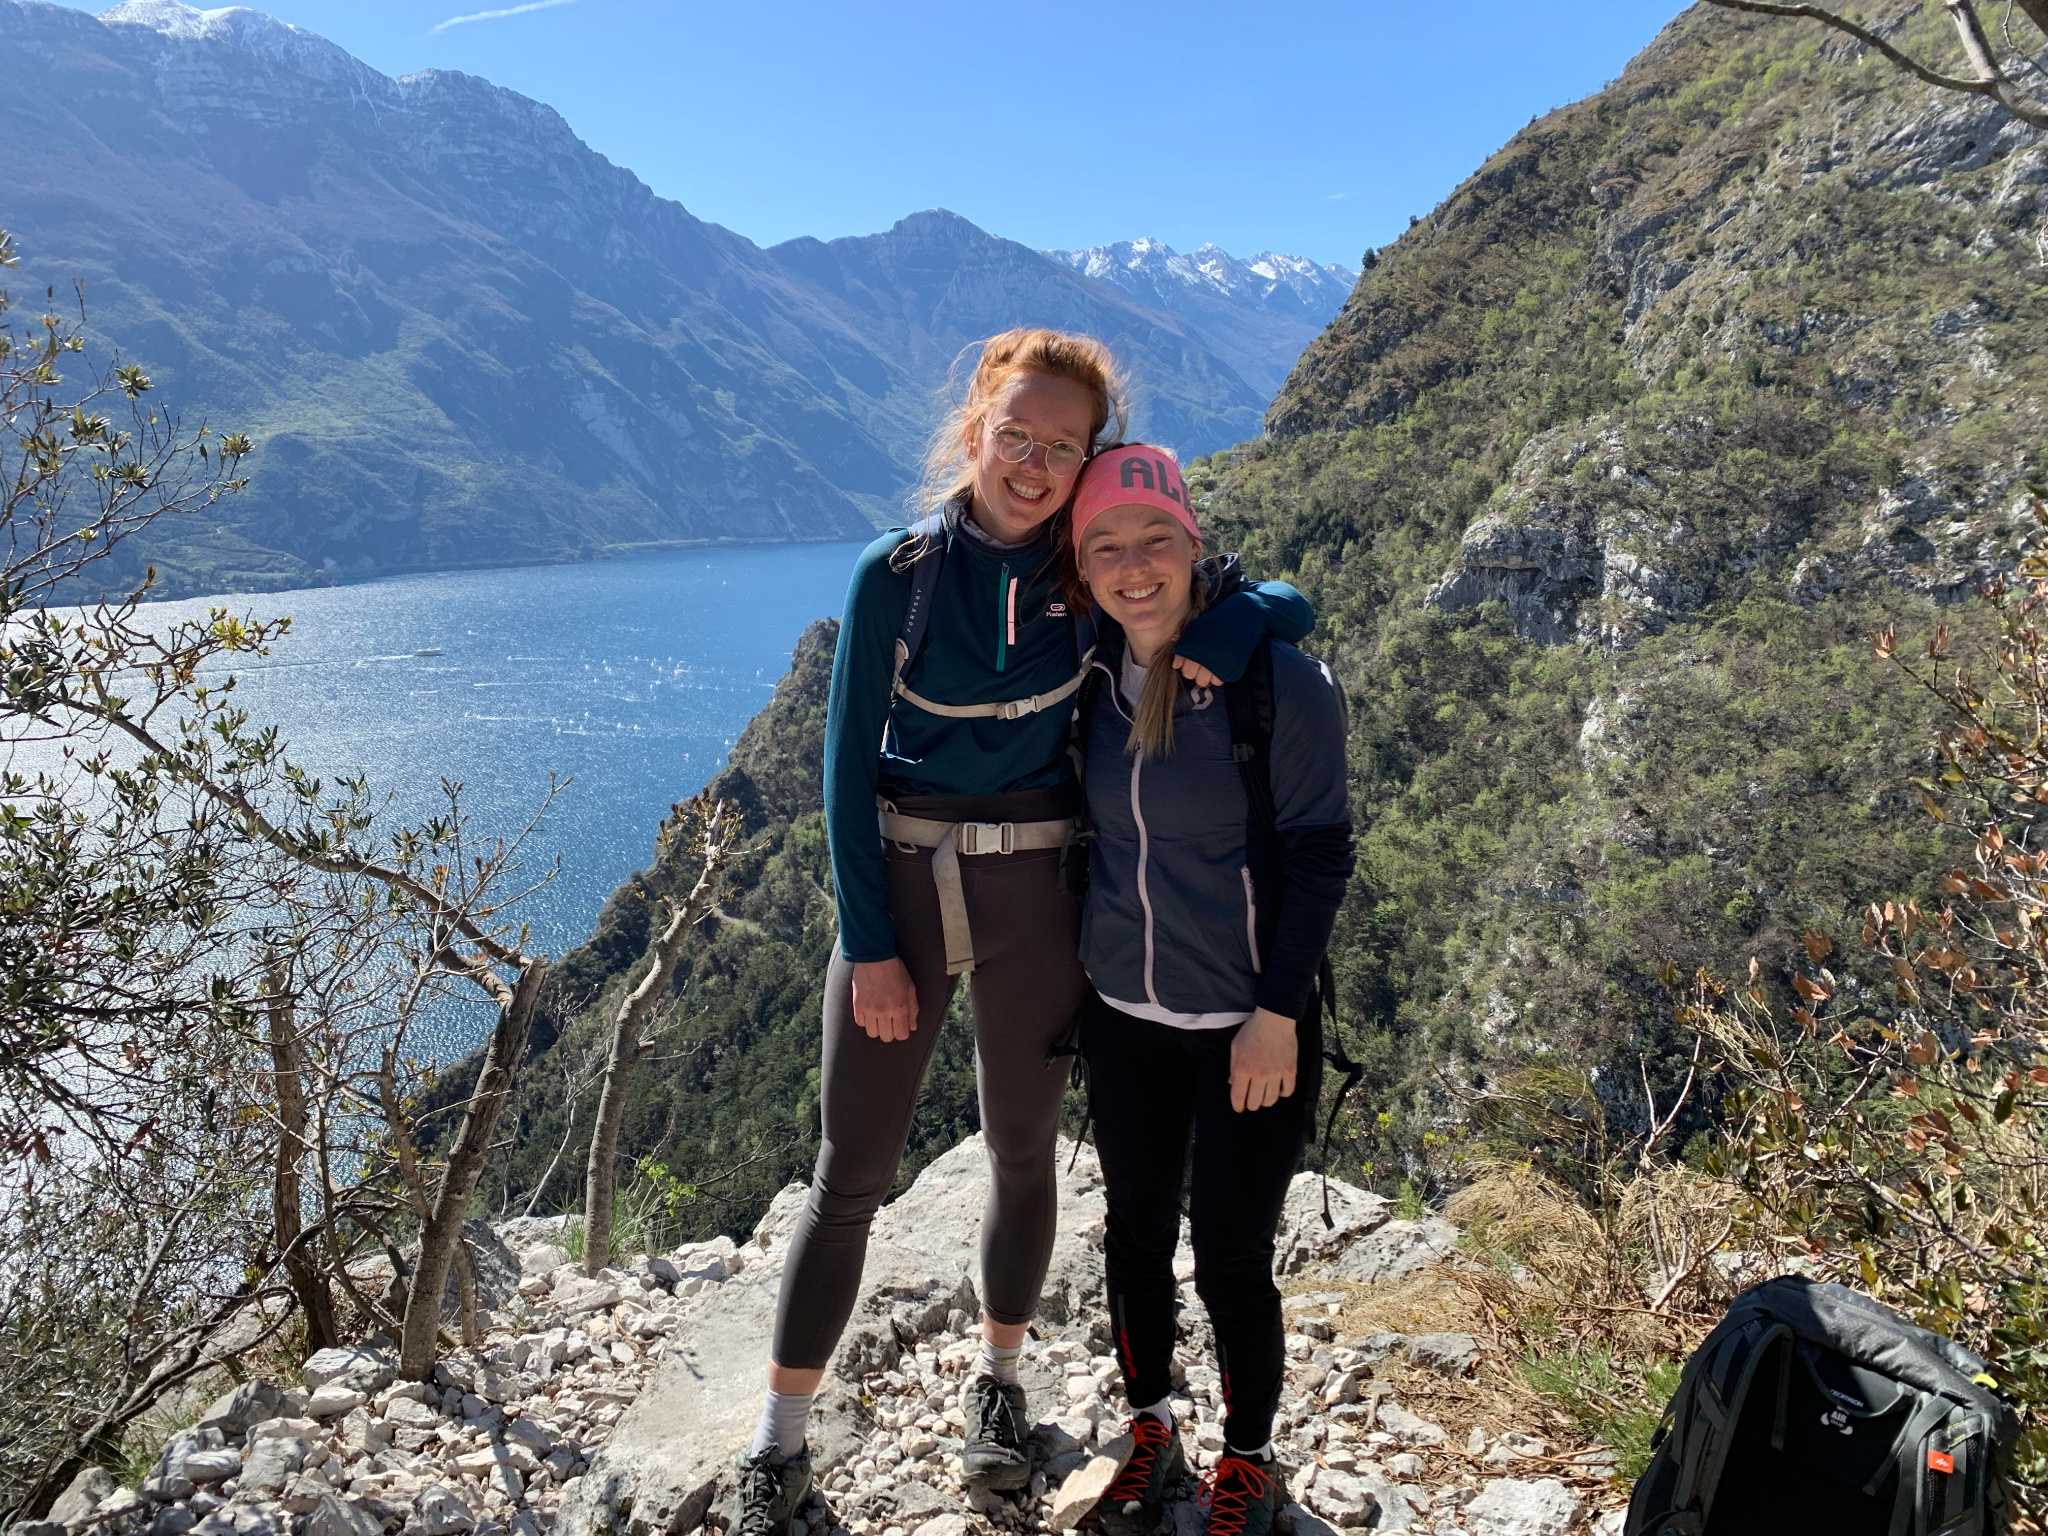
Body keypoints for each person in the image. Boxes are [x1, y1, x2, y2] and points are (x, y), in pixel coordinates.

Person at [731, 331, 1314, 1536]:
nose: (1034, 465)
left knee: (1021, 1152)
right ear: (973, 431)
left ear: (1087, 460)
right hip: (902, 886)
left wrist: (1222, 635)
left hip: (1039, 894)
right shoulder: (898, 573)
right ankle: (777, 1442)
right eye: (1016, 437)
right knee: (850, 1174)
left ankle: (998, 1387)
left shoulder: (1081, 569)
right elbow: (842, 772)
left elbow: (1268, 601)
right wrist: (869, 945)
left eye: (1062, 447)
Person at [1066, 444, 1354, 1536]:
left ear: (1194, 546)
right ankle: (1150, 1430)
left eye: (1156, 541)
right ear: (1080, 566)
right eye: (1105, 547)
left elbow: (1319, 855)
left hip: (1247, 1023)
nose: (1132, 567)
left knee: (1232, 1258)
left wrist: (1277, 1017)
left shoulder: (1276, 685)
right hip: (1122, 1015)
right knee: (1134, 1236)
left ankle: (1249, 1461)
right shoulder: (1083, 670)